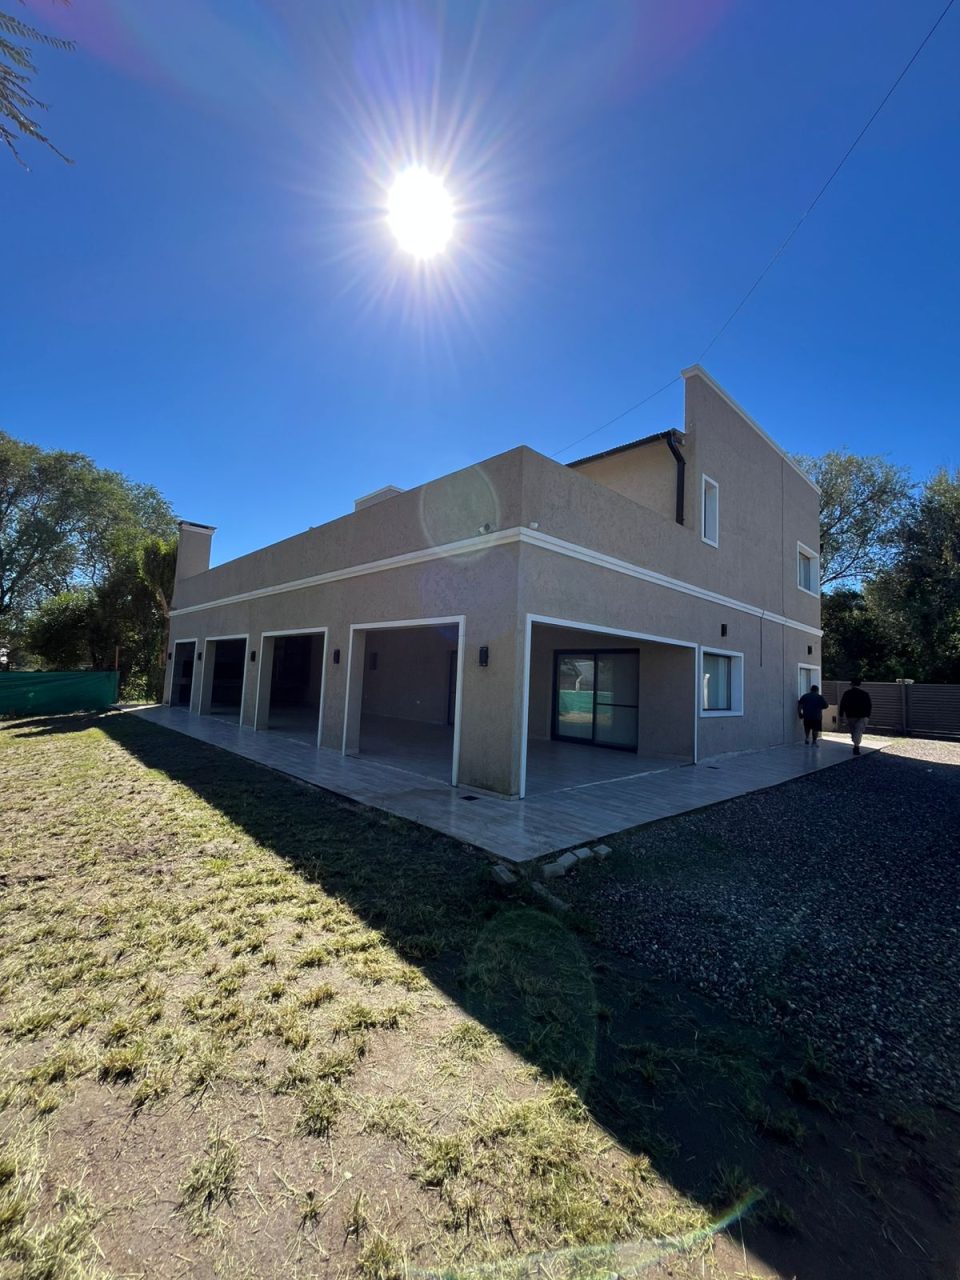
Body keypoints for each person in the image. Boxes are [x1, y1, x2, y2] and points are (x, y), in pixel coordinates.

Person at [839, 678, 872, 755]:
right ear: (859, 685)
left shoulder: (847, 693)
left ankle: (856, 744)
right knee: (859, 731)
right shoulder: (865, 694)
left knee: (853, 730)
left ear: (852, 685)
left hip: (850, 715)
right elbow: (869, 706)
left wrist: (841, 715)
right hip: (863, 715)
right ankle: (856, 745)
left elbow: (842, 705)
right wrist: (868, 716)